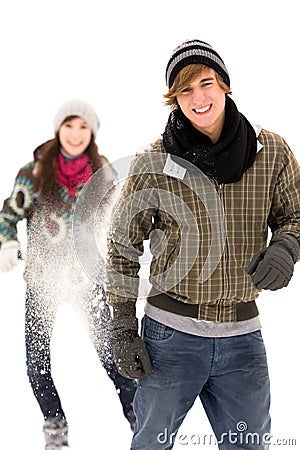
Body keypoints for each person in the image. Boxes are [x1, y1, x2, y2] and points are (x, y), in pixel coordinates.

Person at [106, 40, 300, 449]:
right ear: (174, 100)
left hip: (243, 340)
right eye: (185, 90)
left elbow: (295, 215)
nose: (198, 98)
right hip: (169, 339)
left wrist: (286, 247)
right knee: (150, 444)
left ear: (225, 85)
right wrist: (123, 325)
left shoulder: (273, 152)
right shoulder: (154, 161)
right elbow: (122, 243)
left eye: (206, 83)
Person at [0, 99, 136, 450]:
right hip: (42, 284)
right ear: (58, 129)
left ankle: (140, 417)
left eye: (83, 127)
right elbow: (7, 218)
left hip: (86, 281)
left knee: (113, 357)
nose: (75, 134)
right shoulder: (34, 173)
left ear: (91, 134)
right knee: (36, 364)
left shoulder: (102, 172)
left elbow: (117, 223)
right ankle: (55, 427)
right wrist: (8, 242)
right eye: (69, 126)